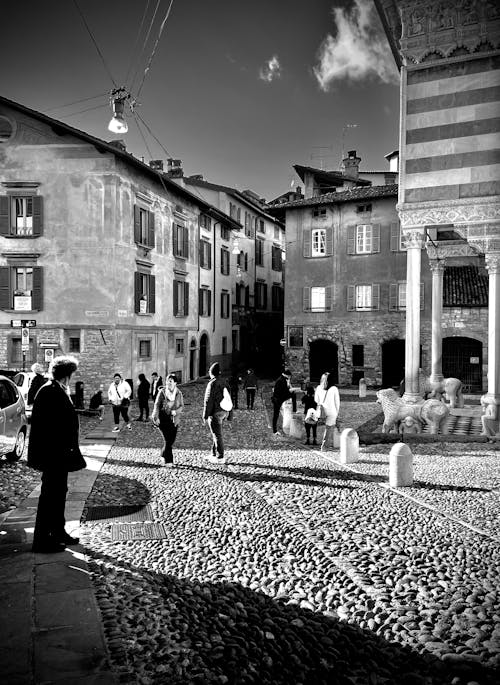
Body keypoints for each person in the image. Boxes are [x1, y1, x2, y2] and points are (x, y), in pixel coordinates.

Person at [28, 355, 86, 553]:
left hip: (59, 456)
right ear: (66, 376)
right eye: (71, 374)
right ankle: (43, 541)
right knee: (49, 498)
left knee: (59, 495)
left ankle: (58, 532)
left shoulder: (58, 390)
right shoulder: (49, 392)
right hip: (52, 456)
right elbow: (45, 428)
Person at [152, 373, 184, 466]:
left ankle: (163, 454)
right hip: (163, 418)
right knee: (167, 440)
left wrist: (176, 412)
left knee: (171, 439)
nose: (168, 383)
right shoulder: (162, 392)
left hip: (174, 419)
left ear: (175, 383)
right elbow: (157, 405)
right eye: (167, 381)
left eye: (170, 381)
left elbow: (182, 406)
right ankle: (168, 461)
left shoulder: (179, 393)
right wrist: (156, 417)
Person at [203, 362, 232, 464]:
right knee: (216, 433)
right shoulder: (225, 382)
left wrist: (205, 415)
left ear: (212, 373)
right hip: (224, 411)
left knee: (217, 435)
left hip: (215, 411)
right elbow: (229, 399)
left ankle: (220, 456)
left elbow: (208, 400)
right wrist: (230, 414)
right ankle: (213, 454)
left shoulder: (212, 383)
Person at [271, 369, 297, 436]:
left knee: (293, 394)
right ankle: (274, 431)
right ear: (287, 375)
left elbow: (286, 389)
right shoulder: (281, 380)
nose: (290, 378)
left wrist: (289, 386)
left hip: (281, 397)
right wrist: (290, 390)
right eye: (289, 376)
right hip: (278, 399)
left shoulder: (284, 379)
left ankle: (295, 410)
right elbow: (284, 391)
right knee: (276, 415)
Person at [320, 372, 340, 451]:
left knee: (328, 428)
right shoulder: (334, 389)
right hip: (332, 411)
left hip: (324, 410)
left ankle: (327, 445)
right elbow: (337, 402)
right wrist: (337, 413)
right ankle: (325, 446)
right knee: (330, 429)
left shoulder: (321, 388)